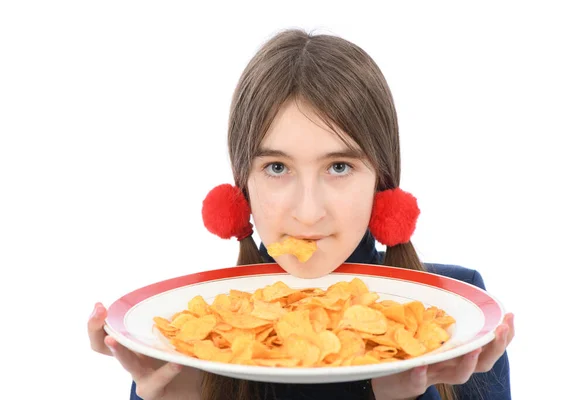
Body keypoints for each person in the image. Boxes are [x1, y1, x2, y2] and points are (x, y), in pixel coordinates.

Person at [87, 28, 515, 400]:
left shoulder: (458, 317)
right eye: (277, 168)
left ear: (381, 183)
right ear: (241, 189)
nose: (308, 213)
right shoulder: (186, 339)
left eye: (339, 167)